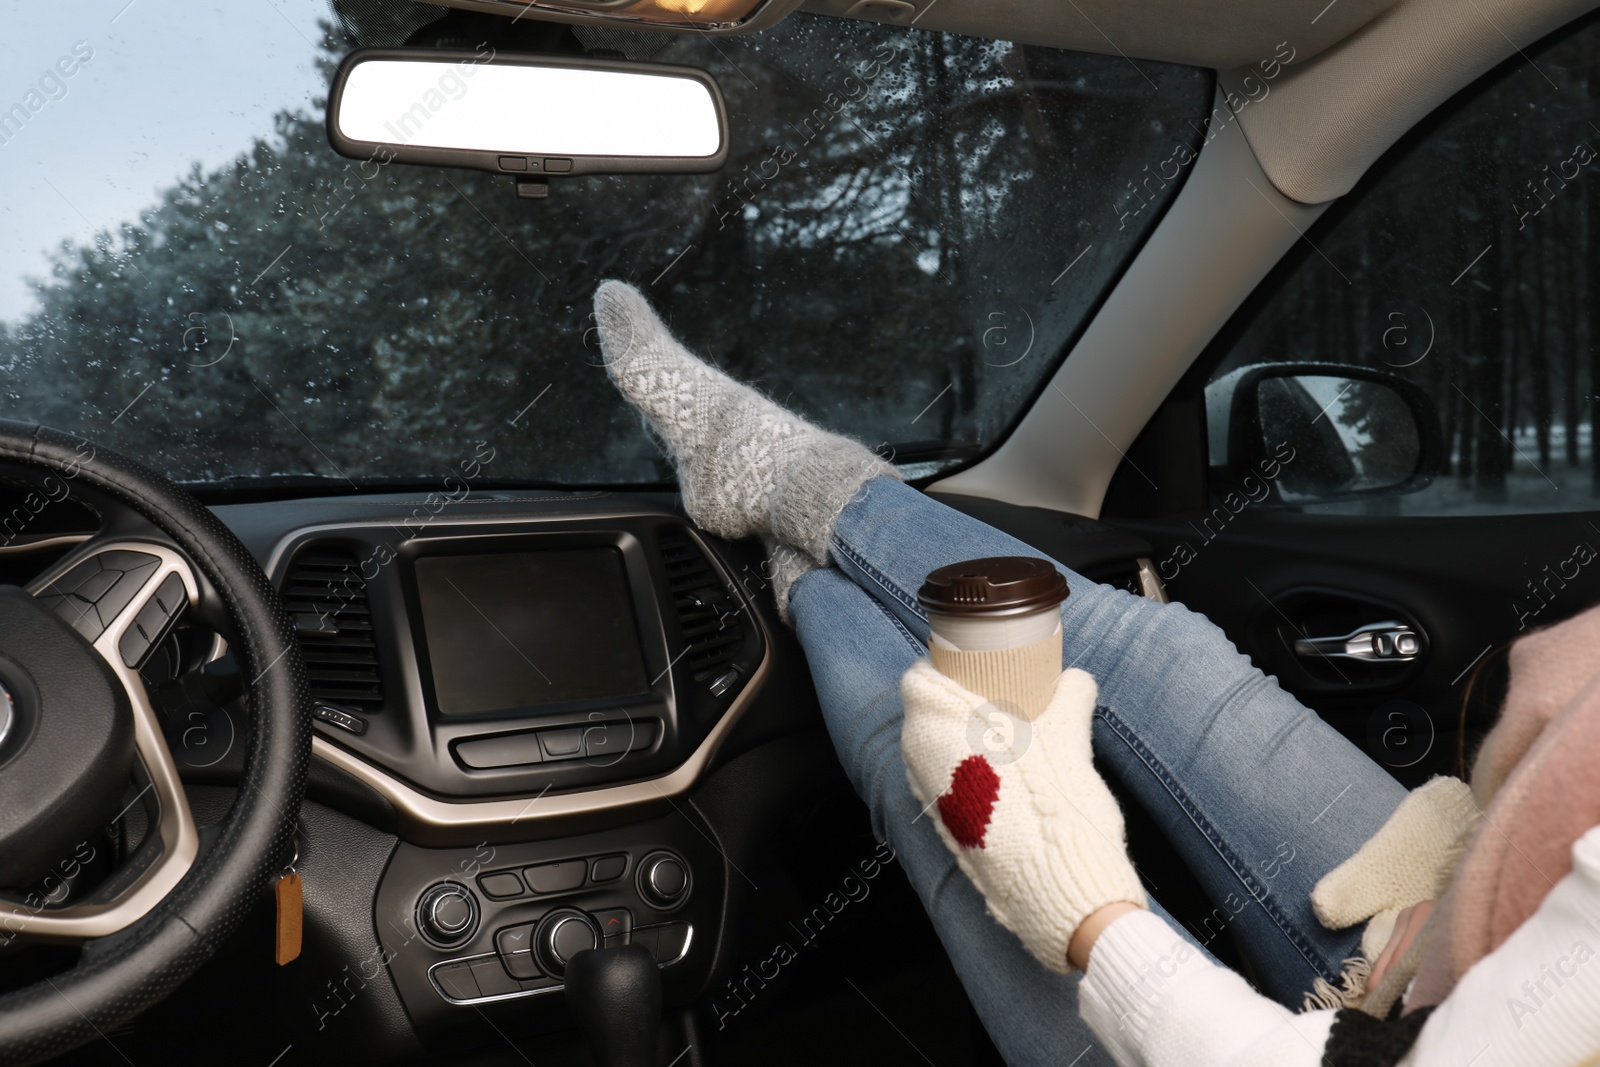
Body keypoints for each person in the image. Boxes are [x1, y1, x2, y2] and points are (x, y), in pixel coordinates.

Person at [591, 280, 1600, 1067]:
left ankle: (794, 546)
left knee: (944, 794)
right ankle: (794, 507)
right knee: (1164, 651)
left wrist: (1091, 917)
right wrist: (1500, 877)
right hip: (1479, 935)